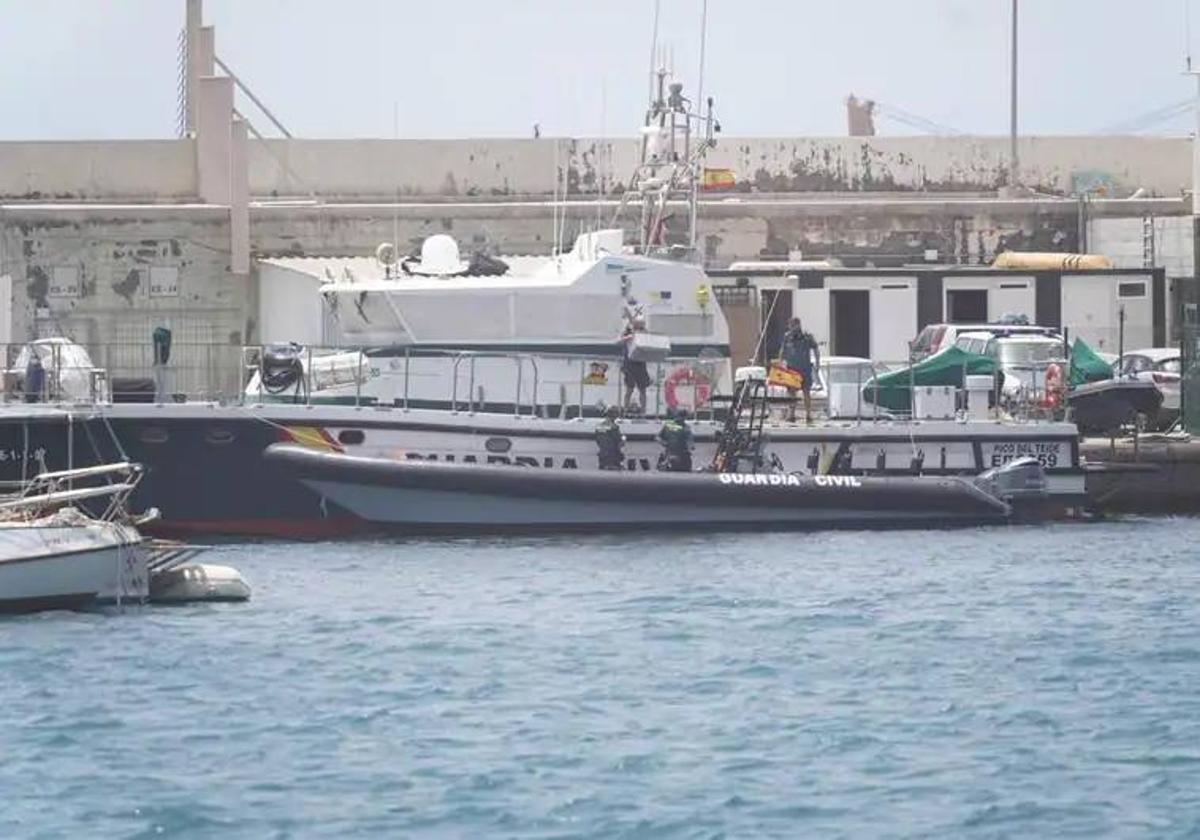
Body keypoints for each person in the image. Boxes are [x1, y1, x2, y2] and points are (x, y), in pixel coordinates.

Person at [778, 317, 819, 424]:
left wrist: (818, 363)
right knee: (791, 393)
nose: (791, 328)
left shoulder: (807, 337)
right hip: (792, 369)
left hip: (804, 369)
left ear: (798, 325)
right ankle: (791, 415)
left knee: (806, 392)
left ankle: (808, 414)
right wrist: (780, 363)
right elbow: (782, 350)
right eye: (790, 326)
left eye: (793, 325)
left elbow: (815, 348)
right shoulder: (787, 337)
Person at [619, 315, 651, 414]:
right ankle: (625, 411)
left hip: (641, 364)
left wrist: (642, 333)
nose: (641, 326)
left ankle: (643, 412)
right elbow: (619, 341)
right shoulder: (627, 332)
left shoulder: (644, 332)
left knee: (643, 390)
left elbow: (649, 340)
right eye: (639, 324)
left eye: (642, 324)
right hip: (629, 364)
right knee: (629, 389)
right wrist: (629, 337)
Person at [656, 408, 694, 472]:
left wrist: (663, 443)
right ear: (685, 417)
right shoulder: (686, 428)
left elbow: (657, 438)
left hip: (669, 454)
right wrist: (690, 447)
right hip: (681, 456)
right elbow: (689, 441)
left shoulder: (668, 425)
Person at [594, 405, 625, 470]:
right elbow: (619, 442)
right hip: (613, 457)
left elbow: (598, 440)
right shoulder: (614, 427)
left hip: (602, 456)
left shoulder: (599, 426)